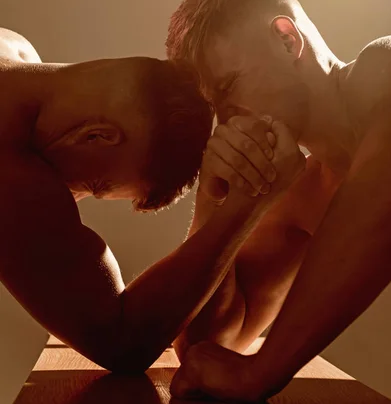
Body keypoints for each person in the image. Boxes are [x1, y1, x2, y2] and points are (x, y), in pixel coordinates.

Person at [165, 0, 391, 402]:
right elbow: (211, 342)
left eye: (229, 87)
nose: (226, 119)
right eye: (212, 106)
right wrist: (215, 204)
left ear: (287, 39)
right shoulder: (305, 195)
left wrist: (261, 373)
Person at [0, 26, 302, 372]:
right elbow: (121, 341)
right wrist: (245, 206)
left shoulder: (13, 47)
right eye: (95, 185)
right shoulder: (9, 166)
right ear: (97, 135)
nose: (75, 199)